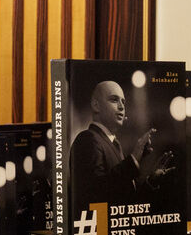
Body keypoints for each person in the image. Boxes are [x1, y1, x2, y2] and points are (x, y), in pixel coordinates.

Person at [70, 80, 173, 208]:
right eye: (114, 100)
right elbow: (97, 193)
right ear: (96, 106)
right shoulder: (87, 139)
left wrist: (151, 181)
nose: (121, 107)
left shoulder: (114, 144)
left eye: (123, 102)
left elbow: (126, 201)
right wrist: (133, 159)